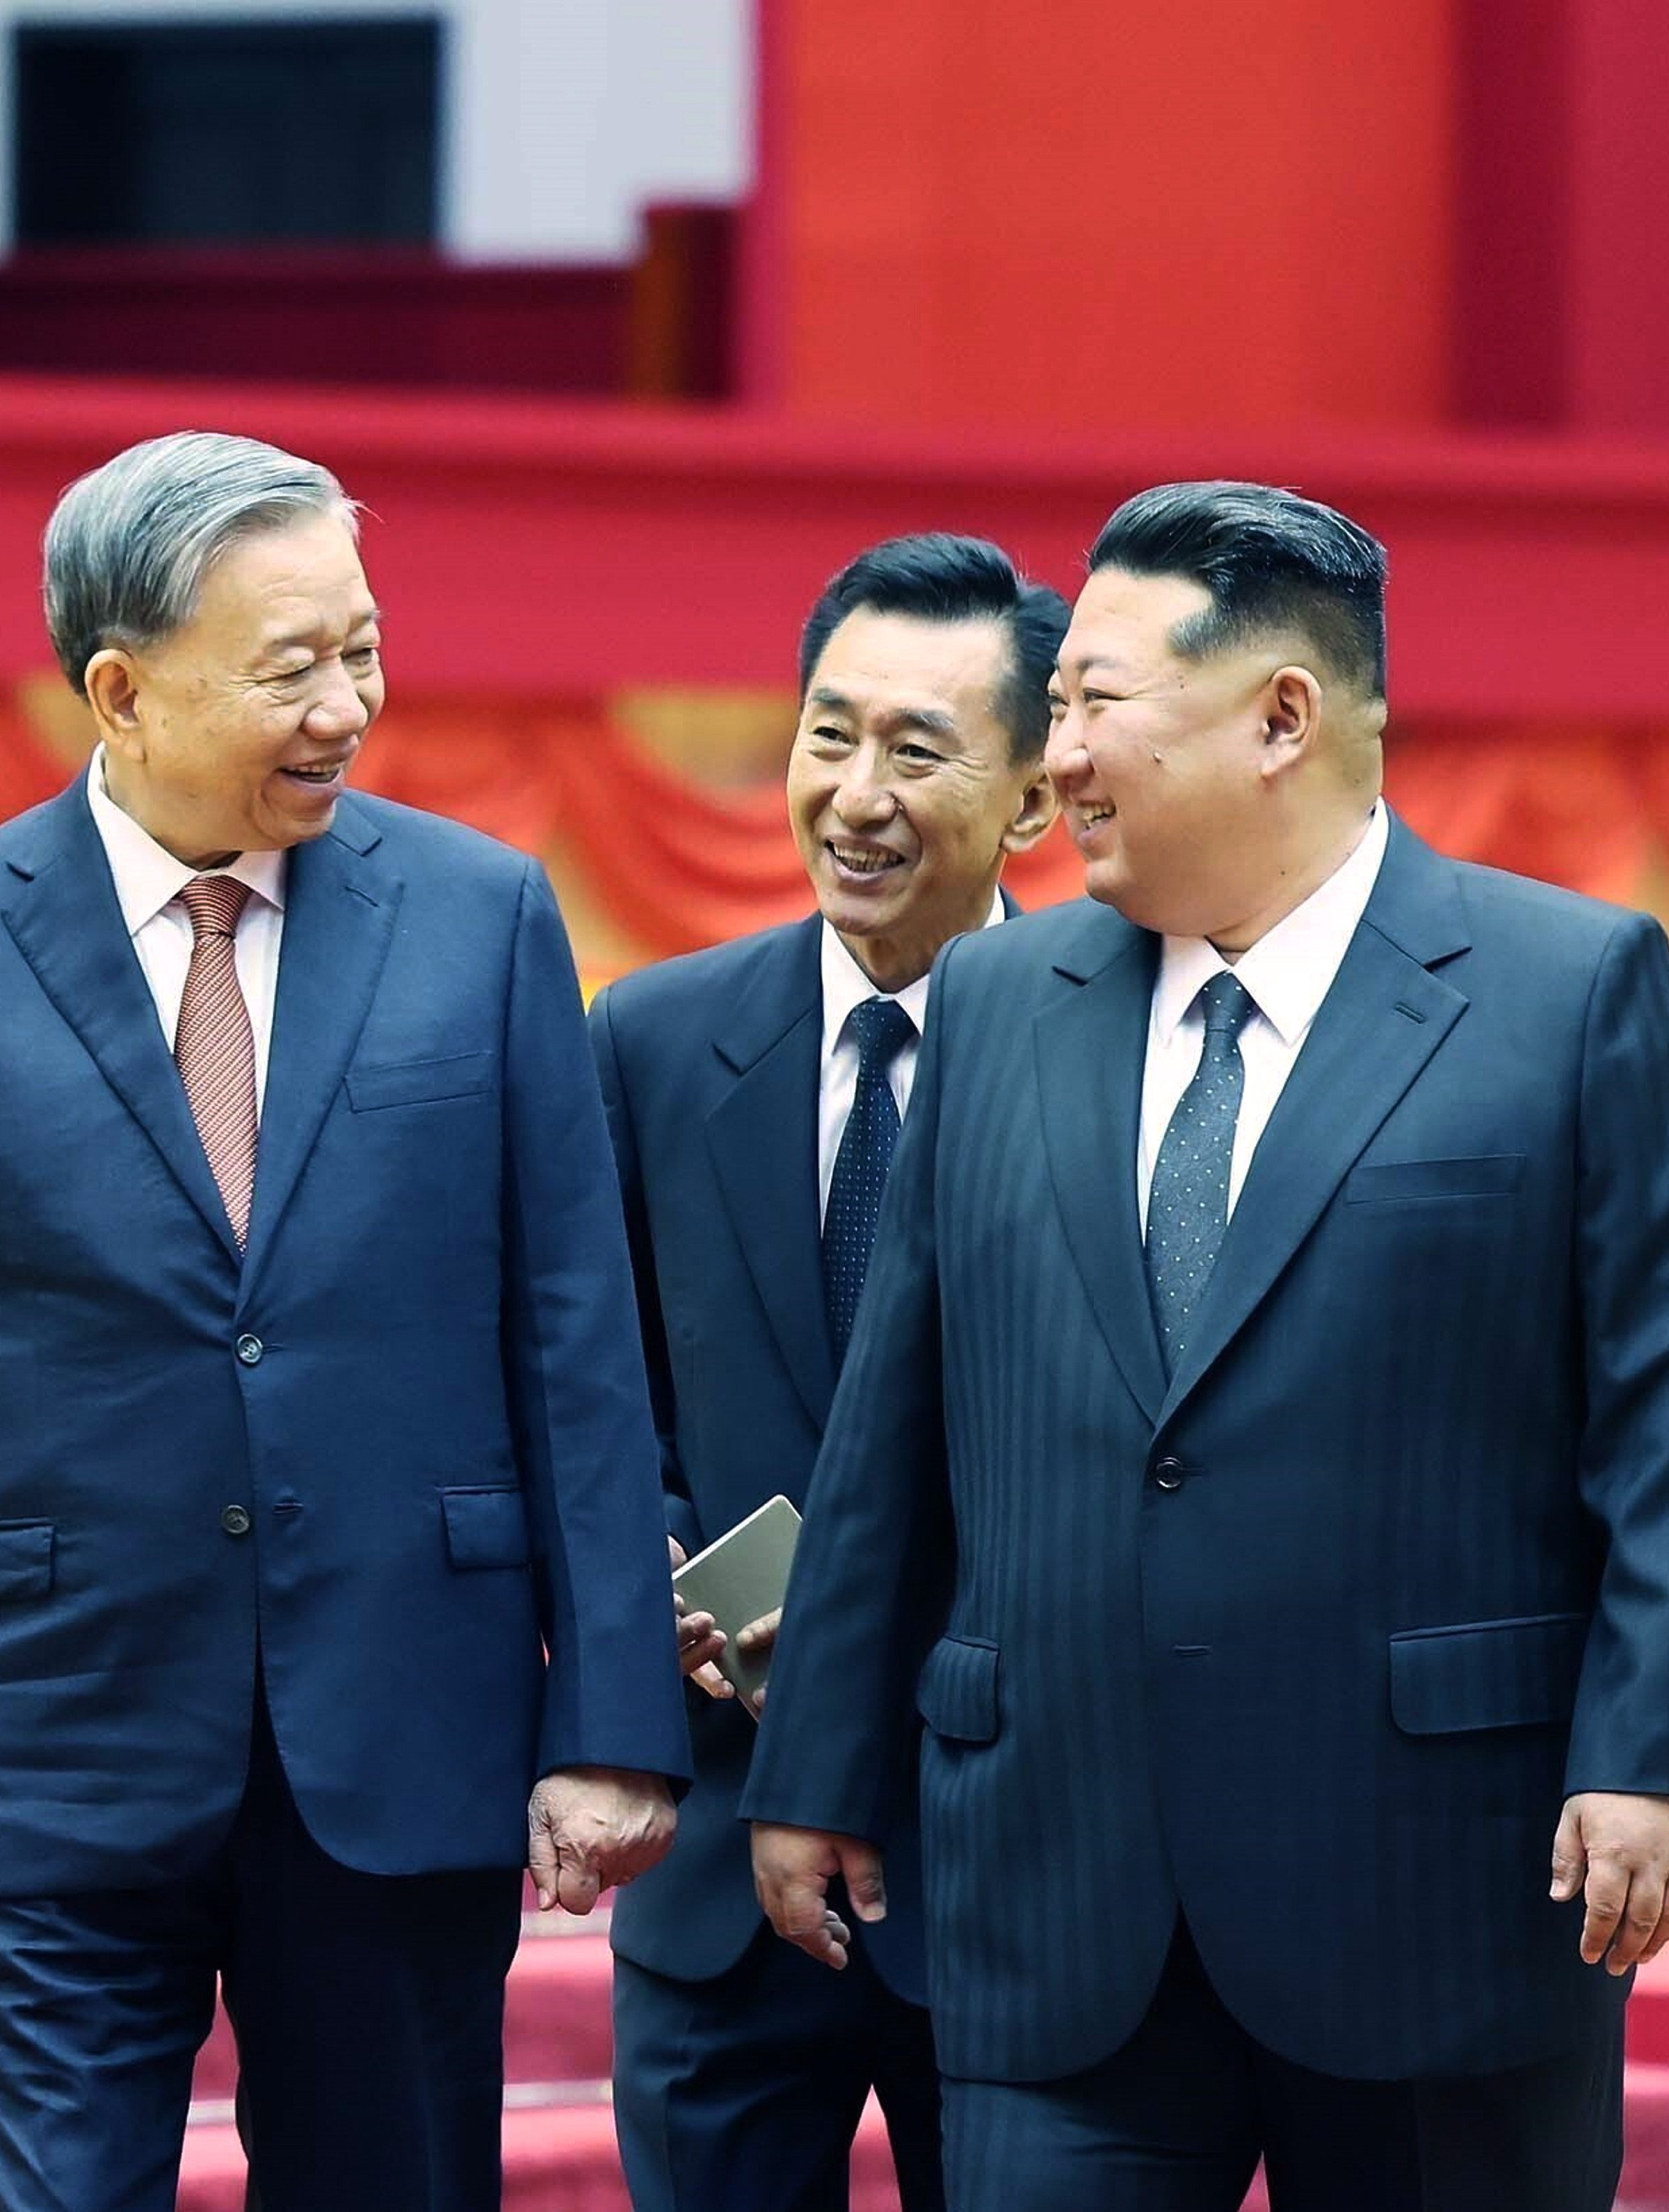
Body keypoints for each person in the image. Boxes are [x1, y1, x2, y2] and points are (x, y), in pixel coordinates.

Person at [742, 481, 1669, 2212]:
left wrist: (1651, 1755)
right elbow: (893, 1424)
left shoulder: (1562, 989)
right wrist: (817, 1754)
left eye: (1094, 706)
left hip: (1438, 1891)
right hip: (1056, 1895)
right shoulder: (994, 1006)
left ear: (1280, 716)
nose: (1053, 759)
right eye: (1051, 711)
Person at [0, 431, 687, 2212]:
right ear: (118, 687)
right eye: (291, 669)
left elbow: (574, 1348)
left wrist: (612, 1724)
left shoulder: (481, 920)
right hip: (60, 1737)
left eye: (362, 646)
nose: (347, 702)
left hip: (405, 1730)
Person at [590, 536, 1067, 2212]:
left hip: (1009, 1868)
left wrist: (894, 1620)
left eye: (918, 752)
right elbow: (592, 1392)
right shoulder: (646, 1043)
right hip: (717, 1866)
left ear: (1030, 801)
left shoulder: (1116, 1062)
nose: (854, 796)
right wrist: (647, 1573)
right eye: (825, 735)